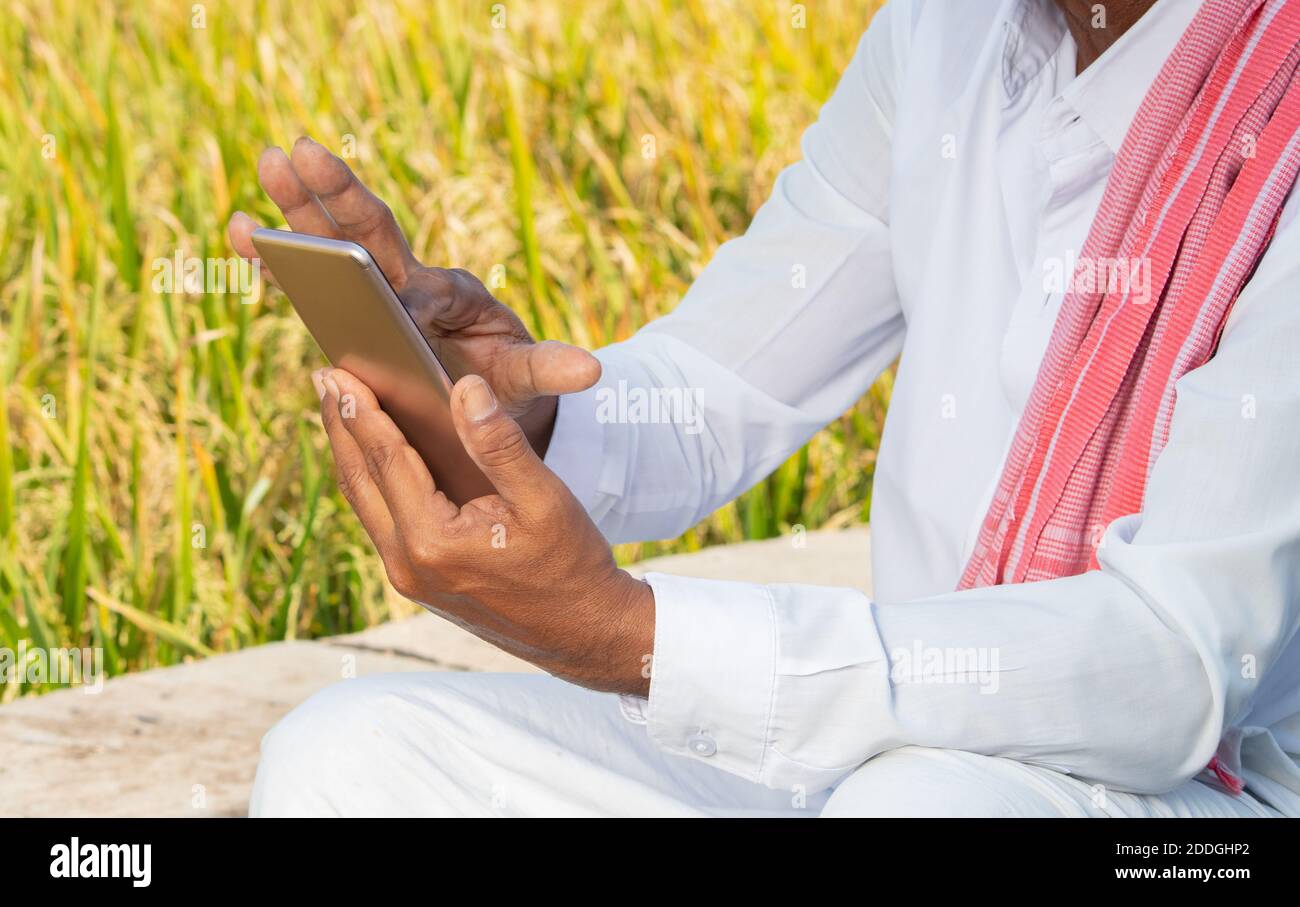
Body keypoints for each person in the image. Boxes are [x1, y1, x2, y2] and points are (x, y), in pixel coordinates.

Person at [228, 0, 1300, 817]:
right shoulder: (943, 32)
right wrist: (509, 408)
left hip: (1205, 804)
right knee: (348, 760)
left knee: (919, 805)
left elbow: (1179, 662)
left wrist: (640, 640)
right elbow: (717, 385)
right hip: (889, 742)